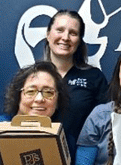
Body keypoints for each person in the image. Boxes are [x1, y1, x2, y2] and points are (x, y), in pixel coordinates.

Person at [43, 10, 108, 143]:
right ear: (48, 34)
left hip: (83, 158)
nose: (65, 37)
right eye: (60, 30)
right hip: (40, 155)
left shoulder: (94, 77)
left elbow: (106, 125)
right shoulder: (32, 76)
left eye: (73, 33)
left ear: (79, 41)